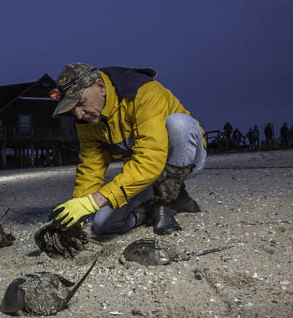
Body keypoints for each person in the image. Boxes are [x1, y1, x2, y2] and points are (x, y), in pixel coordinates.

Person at [48, 63, 206, 236]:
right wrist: (80, 209)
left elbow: (150, 160)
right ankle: (158, 206)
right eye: (72, 109)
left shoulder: (143, 93)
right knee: (102, 226)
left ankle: (163, 204)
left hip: (186, 159)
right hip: (147, 172)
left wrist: (96, 201)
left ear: (100, 86)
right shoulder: (87, 120)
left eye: (81, 102)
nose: (78, 114)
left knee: (179, 124)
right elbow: (91, 167)